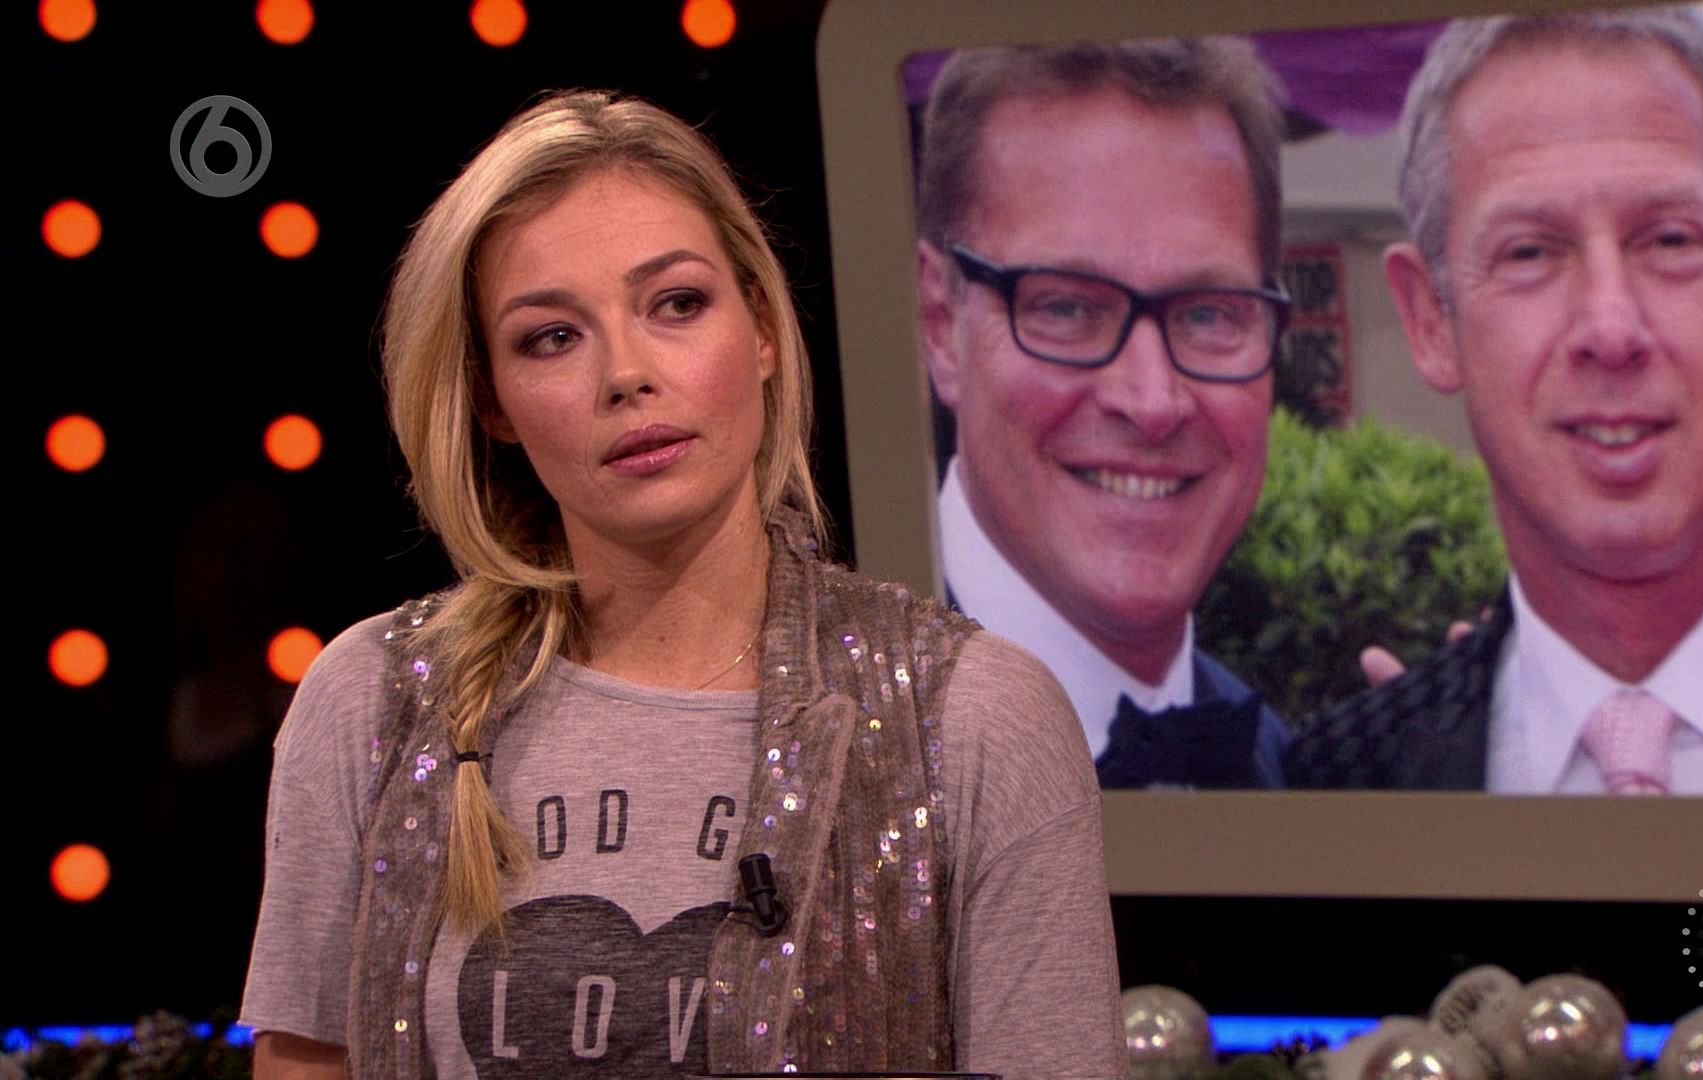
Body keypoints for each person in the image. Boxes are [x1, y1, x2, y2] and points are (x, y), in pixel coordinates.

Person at [239, 91, 1126, 1079]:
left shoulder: (972, 716)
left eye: (677, 304)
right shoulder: (374, 700)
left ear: (762, 330)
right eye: (552, 337)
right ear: (491, 401)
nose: (626, 373)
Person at [1279, 11, 1703, 794]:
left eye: (1670, 240)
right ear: (1430, 319)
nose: (1610, 329)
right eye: (1529, 252)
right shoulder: (1348, 781)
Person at [915, 38, 1291, 789]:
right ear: (939, 323)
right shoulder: (796, 745)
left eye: (1208, 314)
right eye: (1065, 307)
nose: (1152, 403)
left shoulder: (1289, 763)